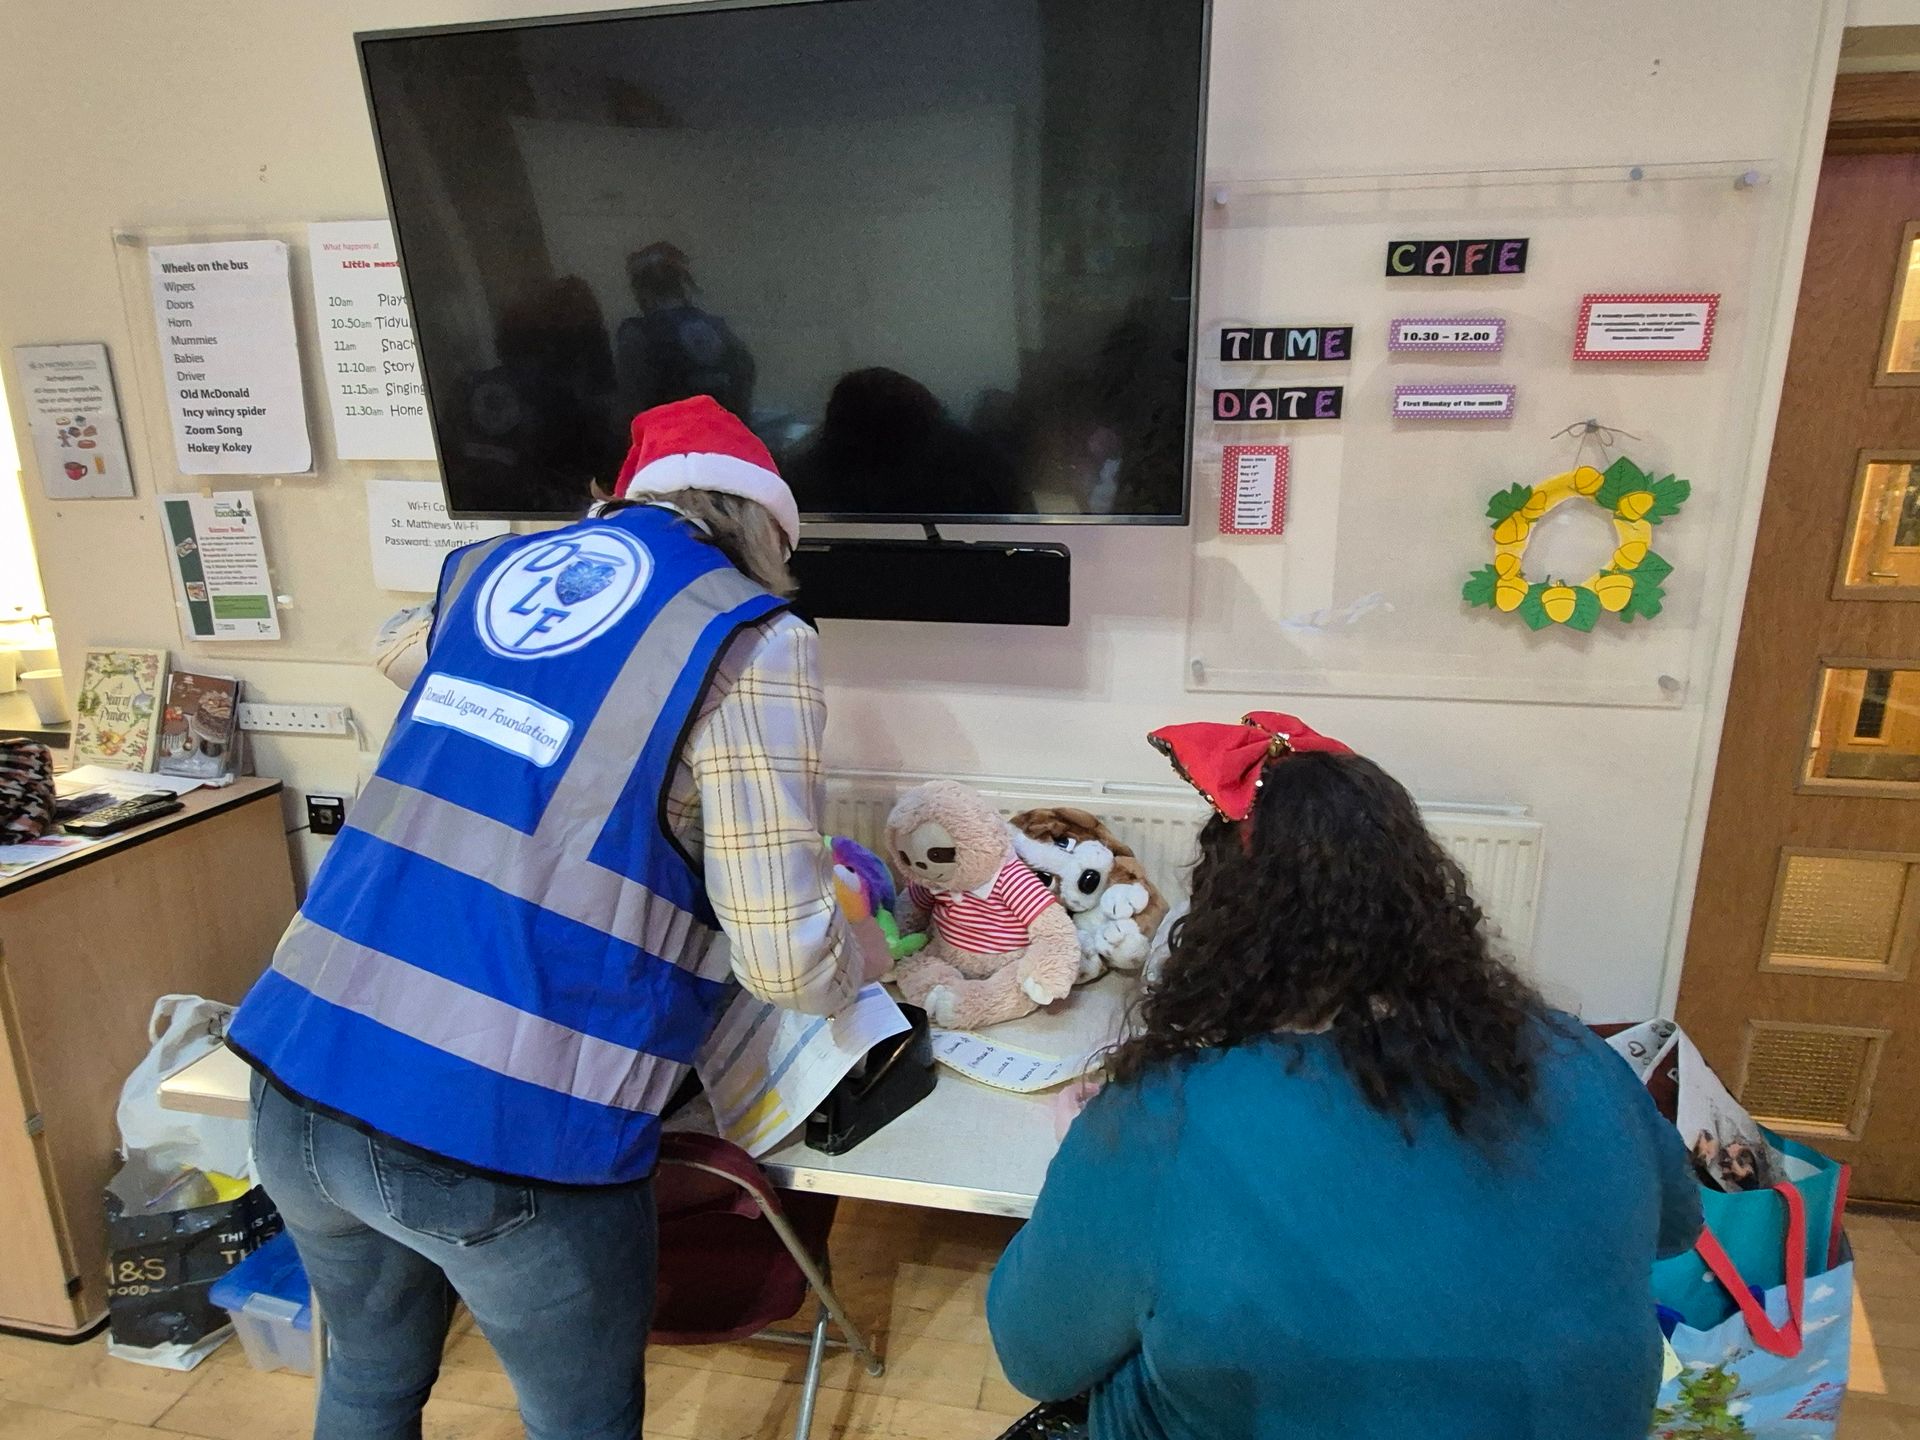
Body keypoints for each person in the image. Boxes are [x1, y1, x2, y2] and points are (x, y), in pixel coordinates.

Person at [227, 395, 890, 1440]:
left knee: (366, 1383)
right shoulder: (753, 640)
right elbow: (786, 964)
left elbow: (398, 648)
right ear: (769, 533)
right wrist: (862, 945)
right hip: (502, 1129)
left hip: (297, 1076)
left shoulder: (486, 579)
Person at [986, 713, 1703, 1440]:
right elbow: (1675, 1228)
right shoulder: (1574, 1052)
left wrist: (1088, 1156)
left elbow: (1035, 1356)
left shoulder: (1161, 1119)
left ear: (1226, 927)